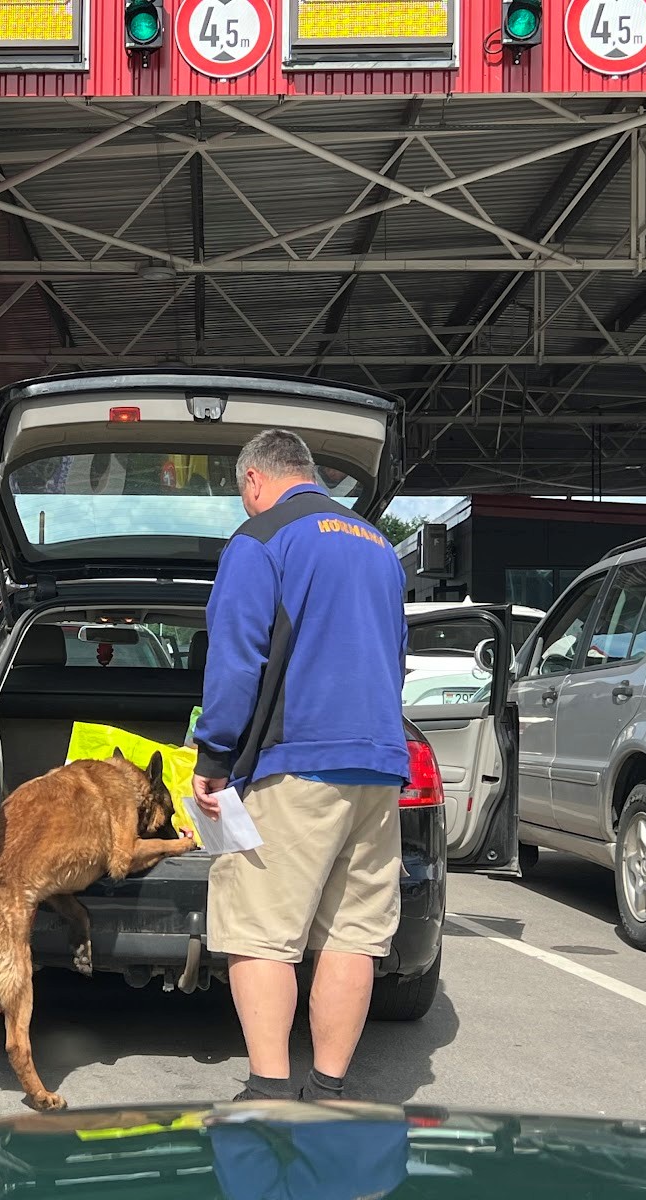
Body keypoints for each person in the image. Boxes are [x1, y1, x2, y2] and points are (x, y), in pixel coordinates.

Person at [191, 429, 410, 1103]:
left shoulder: (261, 540)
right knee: (353, 933)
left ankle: (269, 1090)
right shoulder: (379, 546)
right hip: (377, 764)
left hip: (295, 763)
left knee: (261, 933)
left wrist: (215, 757)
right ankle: (330, 1087)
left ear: (254, 480)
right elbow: (395, 656)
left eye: (241, 494)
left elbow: (236, 657)